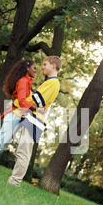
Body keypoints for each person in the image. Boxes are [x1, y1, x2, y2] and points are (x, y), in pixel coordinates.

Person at [0, 59, 46, 176]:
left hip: (17, 116)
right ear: (27, 67)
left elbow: (21, 100)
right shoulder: (23, 81)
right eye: (34, 68)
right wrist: (37, 109)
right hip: (14, 116)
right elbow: (21, 101)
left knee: (2, 145)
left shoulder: (27, 82)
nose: (36, 70)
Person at [7, 56, 62, 187]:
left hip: (35, 120)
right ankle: (14, 181)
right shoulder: (50, 82)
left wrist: (16, 103)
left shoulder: (53, 83)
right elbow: (33, 98)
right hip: (33, 119)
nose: (42, 67)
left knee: (23, 152)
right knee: (22, 151)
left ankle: (14, 182)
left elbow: (36, 100)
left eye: (45, 64)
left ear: (53, 65)